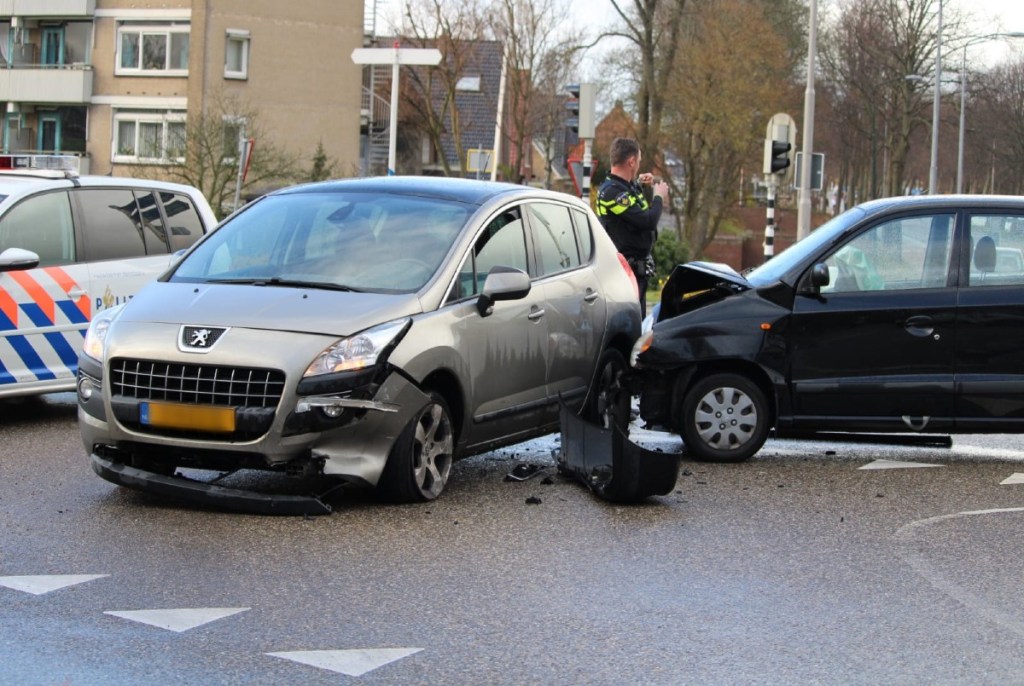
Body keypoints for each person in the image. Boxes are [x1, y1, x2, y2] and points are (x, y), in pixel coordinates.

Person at [596, 137, 668, 317]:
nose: (638, 166)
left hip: (636, 272)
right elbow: (647, 221)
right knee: (632, 327)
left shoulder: (625, 187)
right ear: (631, 161)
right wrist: (659, 197)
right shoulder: (612, 192)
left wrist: (640, 183)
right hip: (625, 273)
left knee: (639, 323)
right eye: (639, 161)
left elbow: (632, 201)